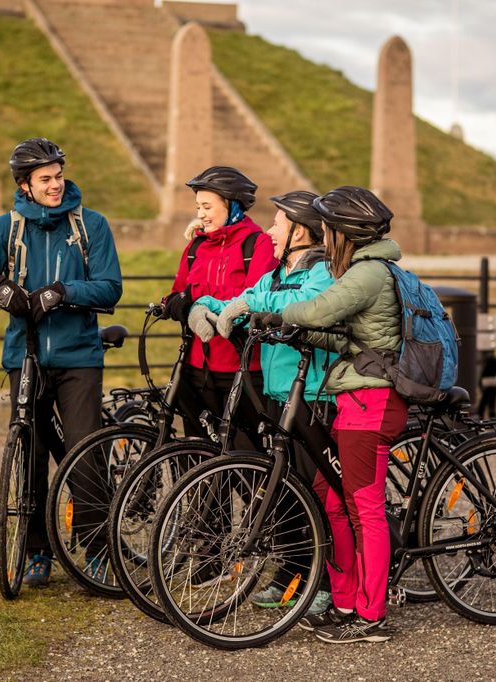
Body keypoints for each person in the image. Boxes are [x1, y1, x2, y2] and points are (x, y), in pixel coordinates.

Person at [0, 137, 122, 586]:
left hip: (79, 358)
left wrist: (65, 292)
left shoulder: (92, 225)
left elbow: (110, 287)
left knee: (84, 453)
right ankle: (35, 551)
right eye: (45, 179)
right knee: (28, 455)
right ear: (24, 185)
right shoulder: (4, 229)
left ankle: (97, 547)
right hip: (24, 357)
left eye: (59, 176)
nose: (55, 185)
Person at [189, 191, 337, 617]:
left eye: (278, 224)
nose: (269, 231)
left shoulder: (323, 271)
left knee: (321, 493)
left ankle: (325, 581)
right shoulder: (275, 272)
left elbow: (303, 307)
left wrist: (249, 303)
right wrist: (205, 306)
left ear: (302, 231)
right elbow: (247, 295)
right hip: (278, 394)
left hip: (314, 394)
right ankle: (292, 573)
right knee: (288, 493)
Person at [278, 185, 410, 643]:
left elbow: (319, 309)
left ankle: (371, 617)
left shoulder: (369, 273)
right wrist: (302, 336)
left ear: (344, 232)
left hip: (370, 403)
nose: (323, 237)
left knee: (364, 508)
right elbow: (348, 339)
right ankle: (345, 600)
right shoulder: (364, 270)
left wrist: (276, 315)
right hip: (354, 398)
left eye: (328, 229)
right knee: (332, 498)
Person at [161, 166, 277, 448]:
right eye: (198, 206)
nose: (200, 214)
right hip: (195, 367)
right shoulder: (196, 247)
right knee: (197, 459)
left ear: (232, 206)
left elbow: (254, 300)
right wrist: (178, 305)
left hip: (242, 369)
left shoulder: (256, 245)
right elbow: (177, 293)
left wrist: (207, 306)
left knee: (247, 461)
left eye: (207, 206)